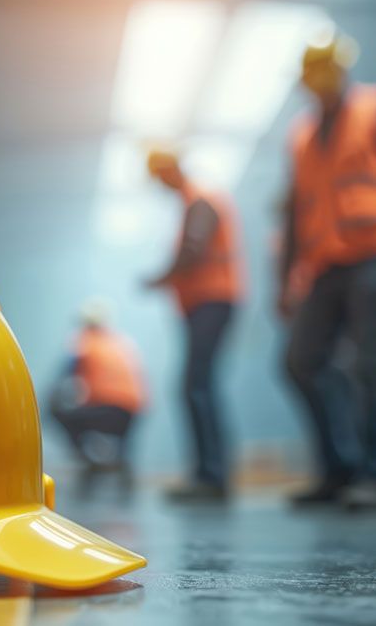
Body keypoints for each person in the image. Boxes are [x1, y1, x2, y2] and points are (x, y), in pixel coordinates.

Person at [279, 30, 376, 509]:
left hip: (373, 252)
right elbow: (295, 209)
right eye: (312, 70)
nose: (320, 78)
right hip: (324, 264)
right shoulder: (300, 135)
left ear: (341, 69)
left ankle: (374, 474)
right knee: (302, 361)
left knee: (372, 362)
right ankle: (338, 469)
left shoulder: (373, 109)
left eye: (327, 68)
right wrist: (286, 281)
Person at [144, 148, 243, 502]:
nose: (158, 184)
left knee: (196, 385)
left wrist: (160, 278)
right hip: (204, 303)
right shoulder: (192, 200)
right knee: (198, 385)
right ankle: (208, 473)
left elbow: (193, 250)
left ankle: (212, 476)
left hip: (213, 300)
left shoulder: (200, 199)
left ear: (171, 169)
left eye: (158, 176)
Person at [48, 300, 146, 473]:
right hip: (133, 410)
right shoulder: (123, 343)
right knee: (117, 429)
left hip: (103, 408)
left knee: (57, 412)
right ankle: (120, 462)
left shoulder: (82, 342)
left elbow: (64, 377)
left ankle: (87, 457)